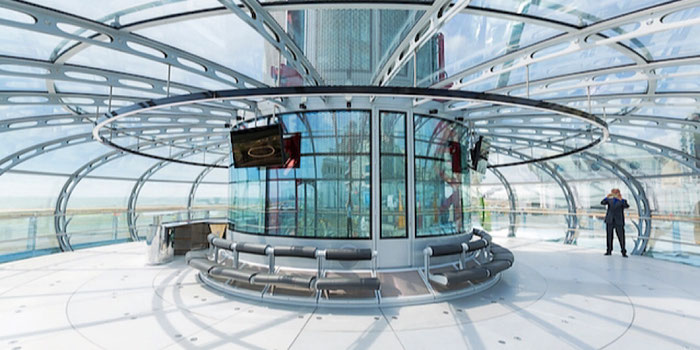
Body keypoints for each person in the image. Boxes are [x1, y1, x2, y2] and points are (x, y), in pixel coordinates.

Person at [601, 188, 629, 257]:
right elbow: (602, 203)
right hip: (610, 220)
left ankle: (623, 251)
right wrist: (607, 197)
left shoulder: (622, 200)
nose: (615, 194)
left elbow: (626, 206)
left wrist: (621, 199)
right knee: (609, 236)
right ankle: (609, 250)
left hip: (618, 221)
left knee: (621, 236)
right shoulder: (609, 200)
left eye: (616, 193)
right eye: (614, 193)